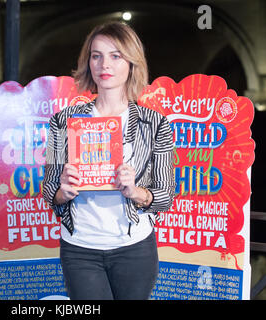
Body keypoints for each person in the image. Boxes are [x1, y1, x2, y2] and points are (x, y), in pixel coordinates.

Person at [42, 22, 175, 300]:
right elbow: (48, 191)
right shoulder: (63, 121)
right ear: (88, 61)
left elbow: (165, 196)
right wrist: (62, 192)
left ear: (132, 63)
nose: (104, 64)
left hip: (135, 249)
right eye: (96, 55)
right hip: (79, 249)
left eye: (116, 55)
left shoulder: (154, 124)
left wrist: (135, 191)